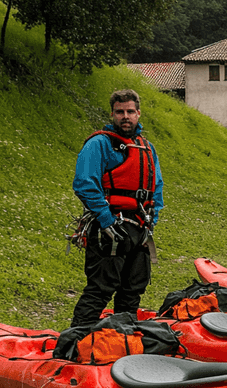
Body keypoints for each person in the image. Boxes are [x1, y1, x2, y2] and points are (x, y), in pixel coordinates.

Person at [69, 89, 164, 327]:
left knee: (132, 292)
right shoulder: (100, 144)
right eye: (120, 112)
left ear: (138, 113)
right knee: (100, 290)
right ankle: (75, 341)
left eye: (130, 111)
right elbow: (84, 183)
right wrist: (106, 220)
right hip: (108, 229)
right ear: (112, 114)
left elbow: (157, 188)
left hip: (139, 230)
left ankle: (123, 340)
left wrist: (151, 221)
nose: (125, 116)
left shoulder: (146, 147)